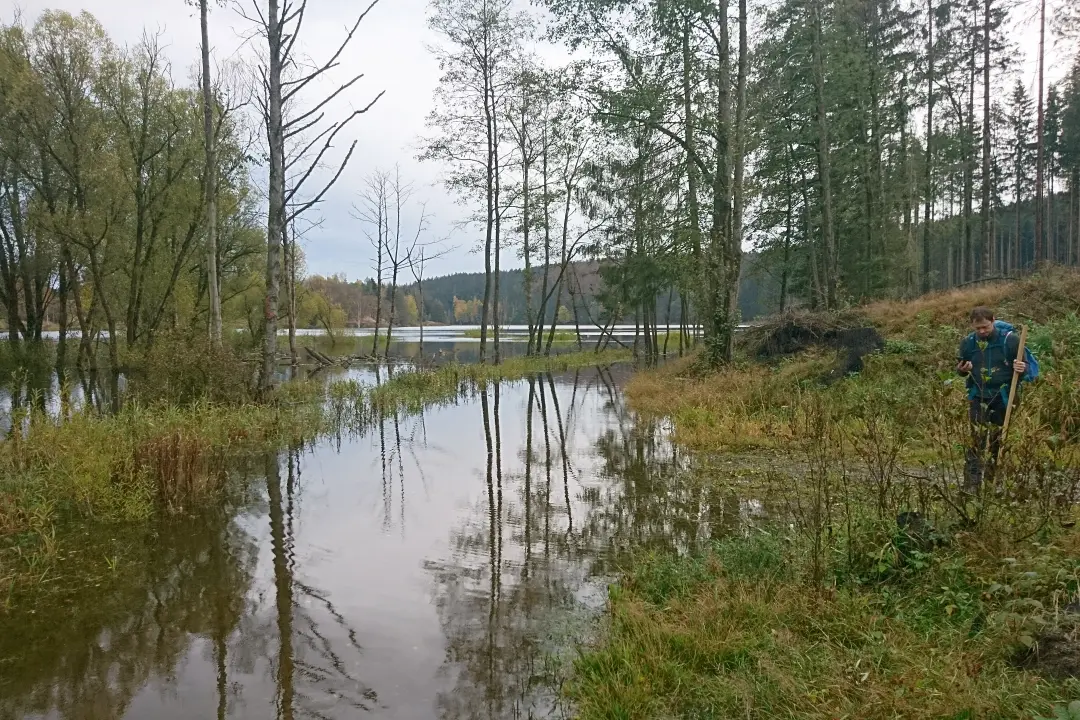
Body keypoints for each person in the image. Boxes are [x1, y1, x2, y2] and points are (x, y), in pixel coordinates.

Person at [956, 306, 1027, 493]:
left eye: (985, 327)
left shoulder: (1010, 341)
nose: (981, 331)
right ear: (972, 325)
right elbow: (960, 369)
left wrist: (1022, 368)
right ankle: (972, 485)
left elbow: (1023, 370)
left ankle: (993, 483)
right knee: (976, 441)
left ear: (993, 320)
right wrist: (963, 370)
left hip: (1003, 397)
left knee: (998, 441)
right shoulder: (968, 343)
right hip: (977, 397)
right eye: (977, 328)